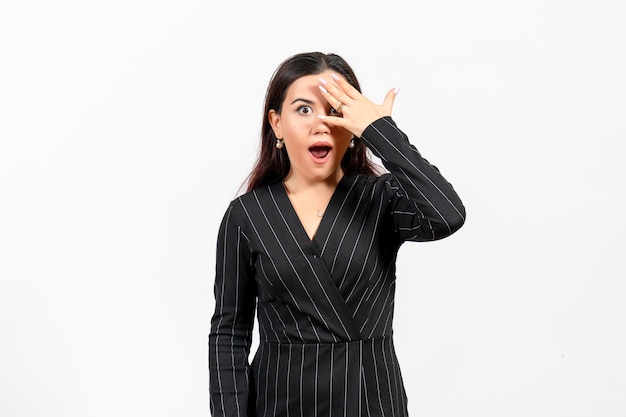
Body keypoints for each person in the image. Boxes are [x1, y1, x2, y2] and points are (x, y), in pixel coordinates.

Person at [208, 51, 466, 417]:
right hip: (278, 403)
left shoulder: (383, 198)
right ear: (276, 123)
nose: (321, 124)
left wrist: (381, 132)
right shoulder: (247, 216)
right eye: (303, 109)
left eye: (335, 110)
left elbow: (448, 215)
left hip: (370, 401)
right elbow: (228, 336)